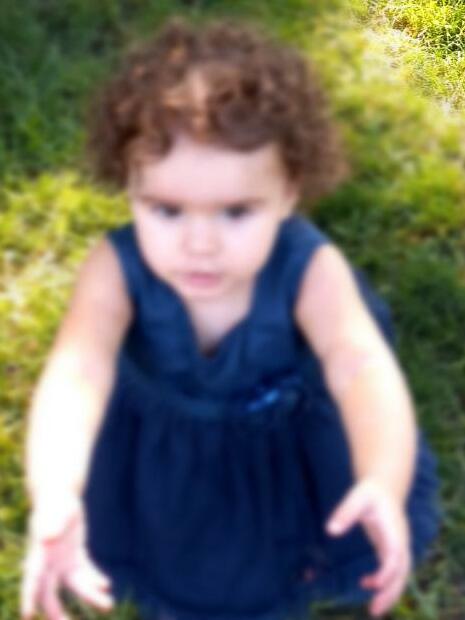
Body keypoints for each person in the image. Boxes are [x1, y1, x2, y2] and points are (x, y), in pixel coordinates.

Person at [20, 15, 443, 620]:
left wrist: (381, 478)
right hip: (161, 459)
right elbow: (77, 371)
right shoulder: (114, 268)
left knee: (303, 532)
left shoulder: (311, 269)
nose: (200, 244)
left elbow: (360, 367)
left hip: (284, 453)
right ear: (129, 188)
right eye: (166, 210)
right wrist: (57, 488)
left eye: (236, 212)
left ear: (289, 192)